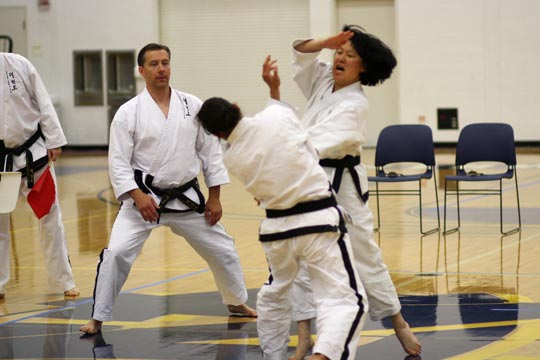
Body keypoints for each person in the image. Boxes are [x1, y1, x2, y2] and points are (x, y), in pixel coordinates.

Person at [263, 25, 422, 358]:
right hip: (307, 180)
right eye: (339, 52)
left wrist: (274, 170)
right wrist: (327, 42)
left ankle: (398, 322)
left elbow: (312, 145)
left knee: (365, 256)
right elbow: (303, 54)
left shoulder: (354, 105)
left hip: (340, 184)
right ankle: (305, 336)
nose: (340, 58)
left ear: (362, 67)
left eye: (350, 55)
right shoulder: (324, 82)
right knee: (302, 255)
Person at [79, 43, 255, 334]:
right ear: (141, 71)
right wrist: (137, 196)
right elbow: (118, 163)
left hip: (186, 199)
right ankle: (97, 318)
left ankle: (236, 302)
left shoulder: (192, 106)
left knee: (223, 248)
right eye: (154, 64)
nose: (161, 69)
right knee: (117, 252)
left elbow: (210, 152)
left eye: (165, 63)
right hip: (142, 202)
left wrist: (214, 196)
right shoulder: (128, 113)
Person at [197, 92, 368, 360]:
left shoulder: (231, 159)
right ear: (237, 106)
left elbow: (272, 152)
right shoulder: (274, 118)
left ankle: (273, 355)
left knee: (274, 296)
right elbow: (298, 138)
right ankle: (323, 355)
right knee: (346, 299)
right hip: (317, 222)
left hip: (277, 232)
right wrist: (273, 88)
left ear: (215, 134)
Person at [0, 52, 79, 299]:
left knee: (49, 216)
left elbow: (43, 101)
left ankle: (64, 281)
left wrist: (54, 139)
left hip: (33, 154)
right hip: (1, 161)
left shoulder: (17, 64)